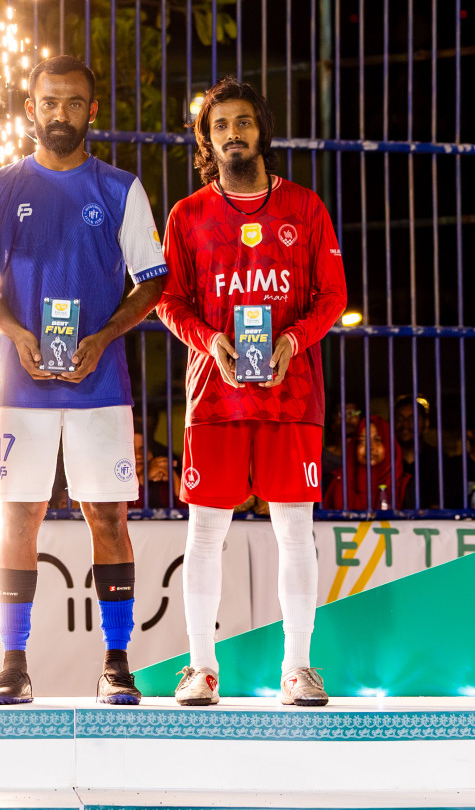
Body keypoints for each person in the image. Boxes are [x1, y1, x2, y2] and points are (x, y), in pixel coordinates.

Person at [0, 55, 167, 706]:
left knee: (106, 515)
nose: (60, 114)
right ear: (30, 109)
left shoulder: (119, 189)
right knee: (17, 516)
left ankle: (116, 661)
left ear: (92, 110)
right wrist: (18, 335)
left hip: (98, 383)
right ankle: (12, 662)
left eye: (73, 103)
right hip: (18, 386)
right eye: (49, 102)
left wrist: (104, 336)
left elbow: (154, 281)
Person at [156, 77, 347, 708]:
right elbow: (169, 301)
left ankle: (298, 667)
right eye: (219, 127)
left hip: (292, 397)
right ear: (207, 141)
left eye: (242, 122)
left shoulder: (305, 208)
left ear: (260, 129)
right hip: (215, 395)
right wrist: (210, 341)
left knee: (294, 530)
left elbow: (334, 298)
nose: (232, 134)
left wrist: (293, 340)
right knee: (206, 533)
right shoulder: (187, 215)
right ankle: (201, 668)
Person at [322, 415, 404, 511]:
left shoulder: (405, 485)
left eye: (377, 439)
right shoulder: (336, 482)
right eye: (362, 441)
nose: (369, 447)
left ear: (389, 445)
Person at [393, 395, 442, 510]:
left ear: (426, 424)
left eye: (412, 419)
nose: (405, 424)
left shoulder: (439, 461)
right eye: (399, 419)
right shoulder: (387, 462)